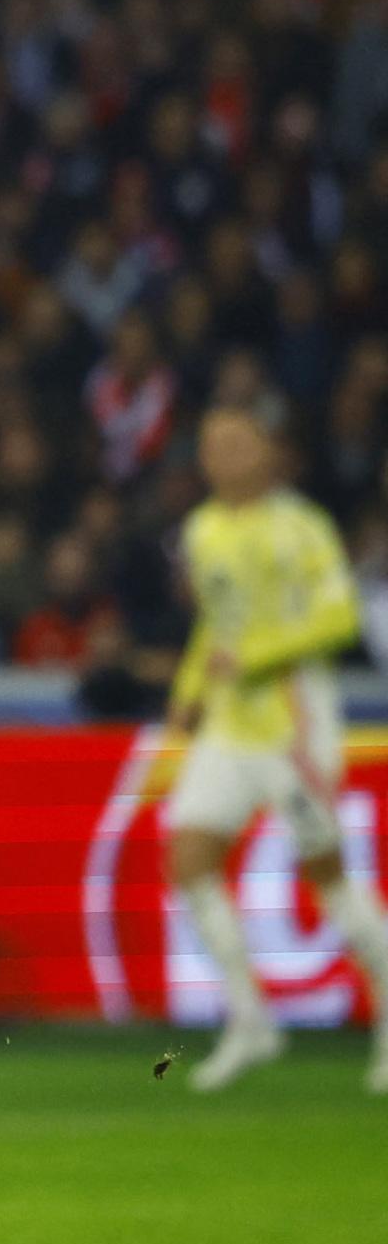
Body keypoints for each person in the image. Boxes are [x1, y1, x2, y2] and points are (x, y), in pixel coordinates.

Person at [160, 403, 388, 1093]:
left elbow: (339, 615)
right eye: (212, 443)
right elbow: (215, 622)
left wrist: (255, 657)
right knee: (187, 854)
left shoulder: (301, 526)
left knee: (329, 881)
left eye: (237, 441)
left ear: (267, 450)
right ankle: (252, 1019)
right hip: (230, 725)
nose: (224, 455)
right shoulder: (202, 529)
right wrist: (191, 685)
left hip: (294, 725)